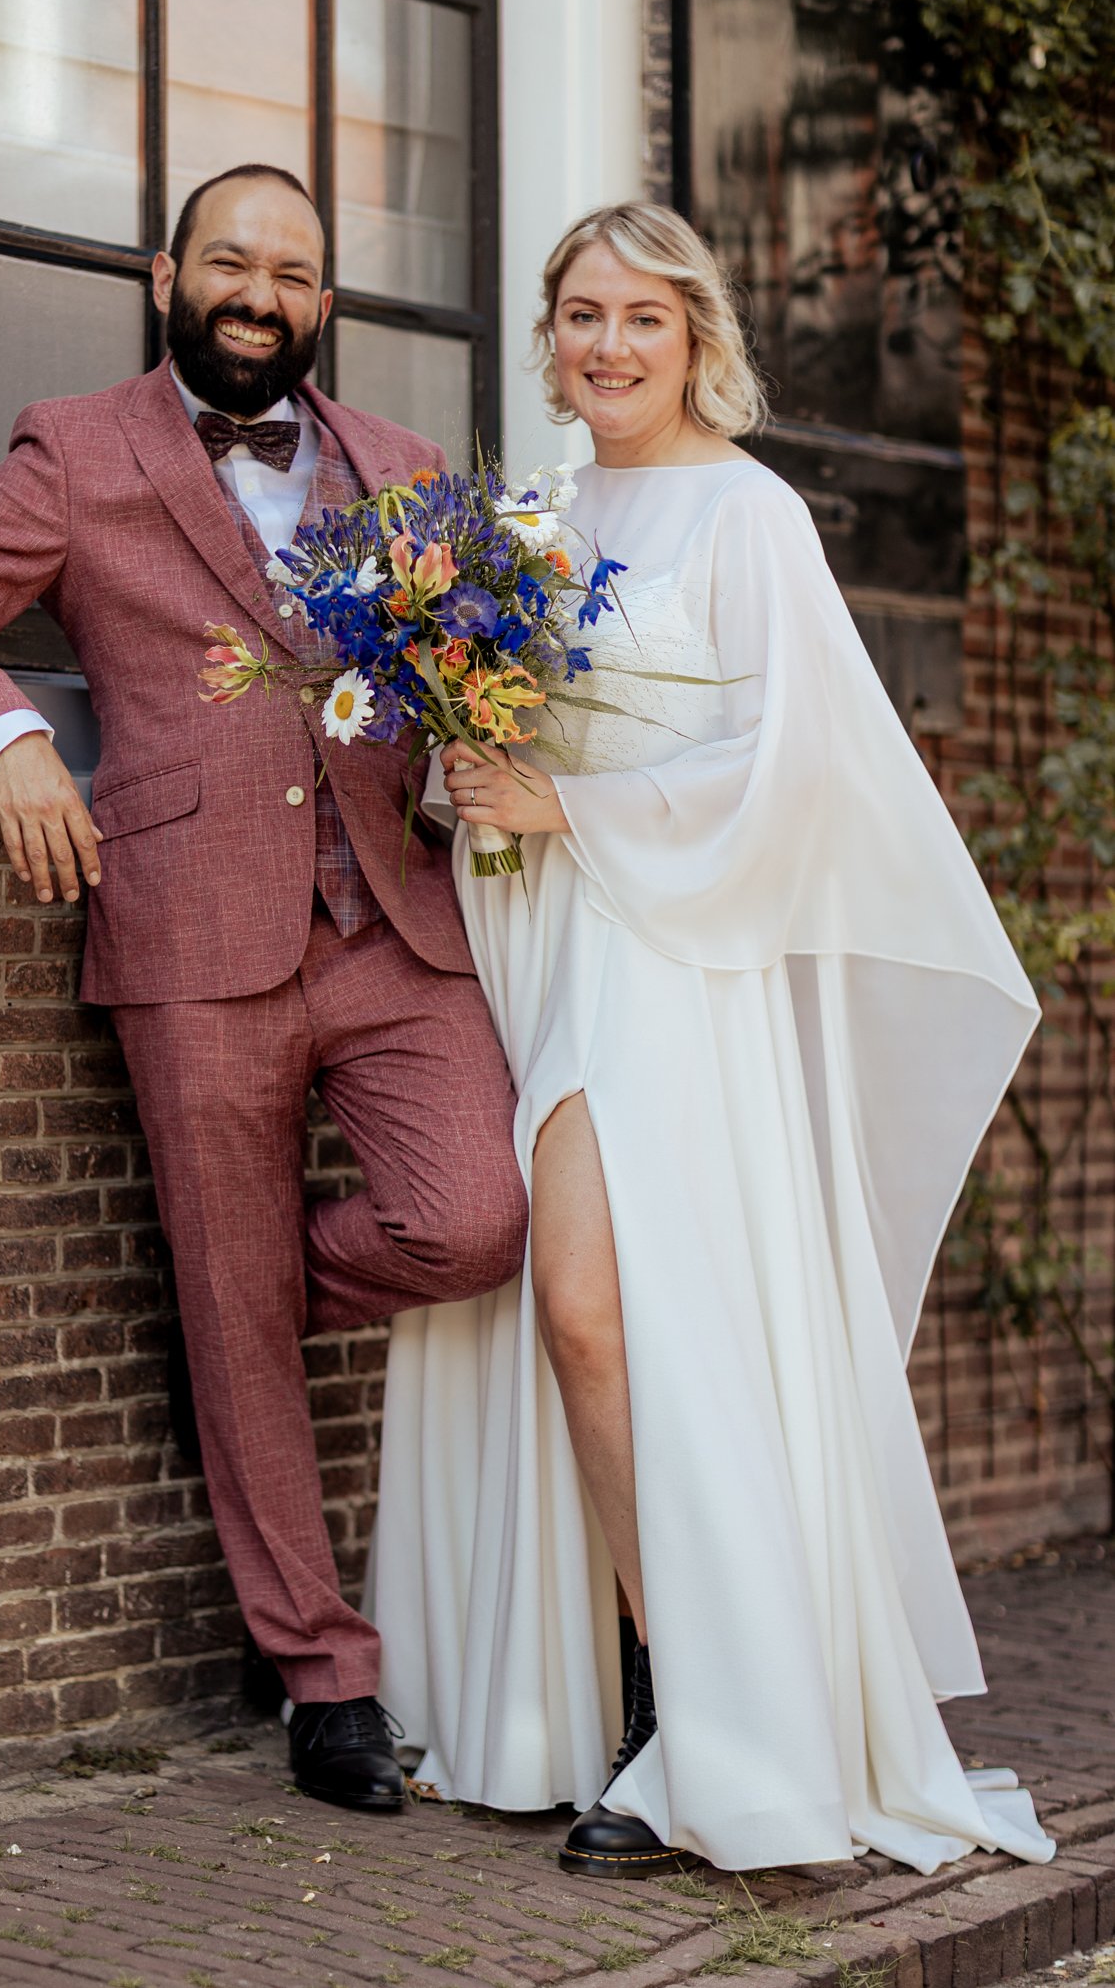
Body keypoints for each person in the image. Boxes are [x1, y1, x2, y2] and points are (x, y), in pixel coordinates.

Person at [367, 201, 1055, 1877]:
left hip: (680, 949)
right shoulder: (526, 520)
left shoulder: (754, 517)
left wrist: (575, 805)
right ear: (551, 338)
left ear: (695, 339)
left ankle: (698, 1708)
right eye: (582, 315)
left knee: (594, 1308)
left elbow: (800, 768)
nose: (608, 345)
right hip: (544, 937)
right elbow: (491, 739)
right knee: (582, 1318)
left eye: (642, 319)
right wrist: (471, 771)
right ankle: (637, 1689)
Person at [0, 162, 527, 1814]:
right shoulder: (79, 448)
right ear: (168, 278)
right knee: (239, 1308)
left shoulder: (408, 471)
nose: (258, 296)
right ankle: (325, 1678)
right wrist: (7, 736)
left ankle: (233, 1324)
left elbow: (465, 681)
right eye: (229, 262)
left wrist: (484, 752)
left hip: (398, 927)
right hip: (187, 934)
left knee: (477, 1219)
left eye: (291, 275)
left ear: (323, 304)